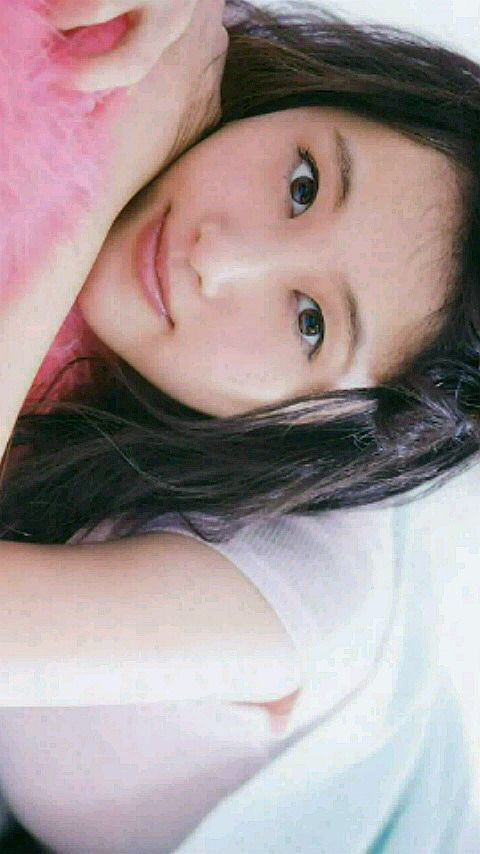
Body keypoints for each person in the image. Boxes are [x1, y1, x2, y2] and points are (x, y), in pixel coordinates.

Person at [0, 0, 478, 850]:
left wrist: (94, 190)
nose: (217, 256)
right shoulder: (204, 86)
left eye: (310, 323)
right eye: (303, 185)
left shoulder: (292, 596)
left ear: (331, 428)